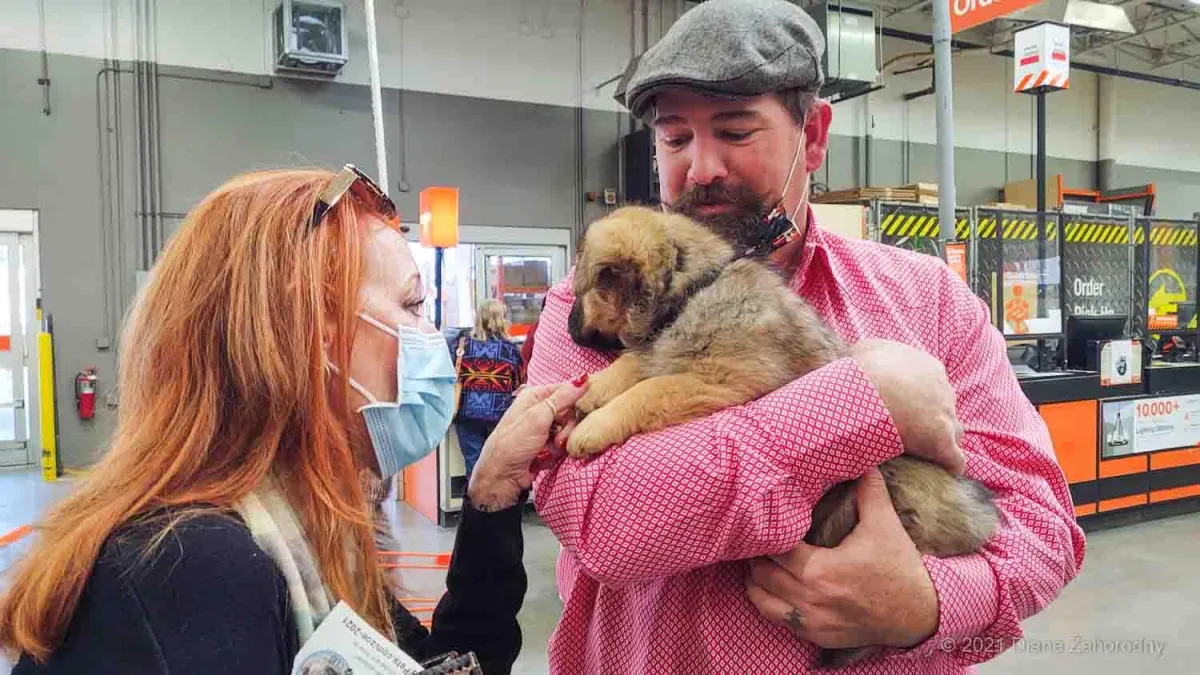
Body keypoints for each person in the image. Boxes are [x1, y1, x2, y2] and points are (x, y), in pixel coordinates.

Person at [526, 0, 1085, 672]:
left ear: (814, 135)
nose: (700, 166)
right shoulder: (605, 299)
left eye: (735, 132)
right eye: (675, 139)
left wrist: (926, 604)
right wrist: (861, 402)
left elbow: (1042, 526)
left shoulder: (929, 300)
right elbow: (602, 525)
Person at [0, 165, 589, 675]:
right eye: (411, 306)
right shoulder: (191, 571)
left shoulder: (309, 533)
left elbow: (443, 665)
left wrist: (488, 495)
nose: (432, 338)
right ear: (308, 338)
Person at [448, 299, 525, 478]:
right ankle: (494, 504)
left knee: (473, 465)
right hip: (498, 415)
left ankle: (473, 503)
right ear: (502, 320)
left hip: (467, 414)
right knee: (497, 466)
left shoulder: (461, 345)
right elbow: (517, 380)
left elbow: (451, 374)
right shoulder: (510, 350)